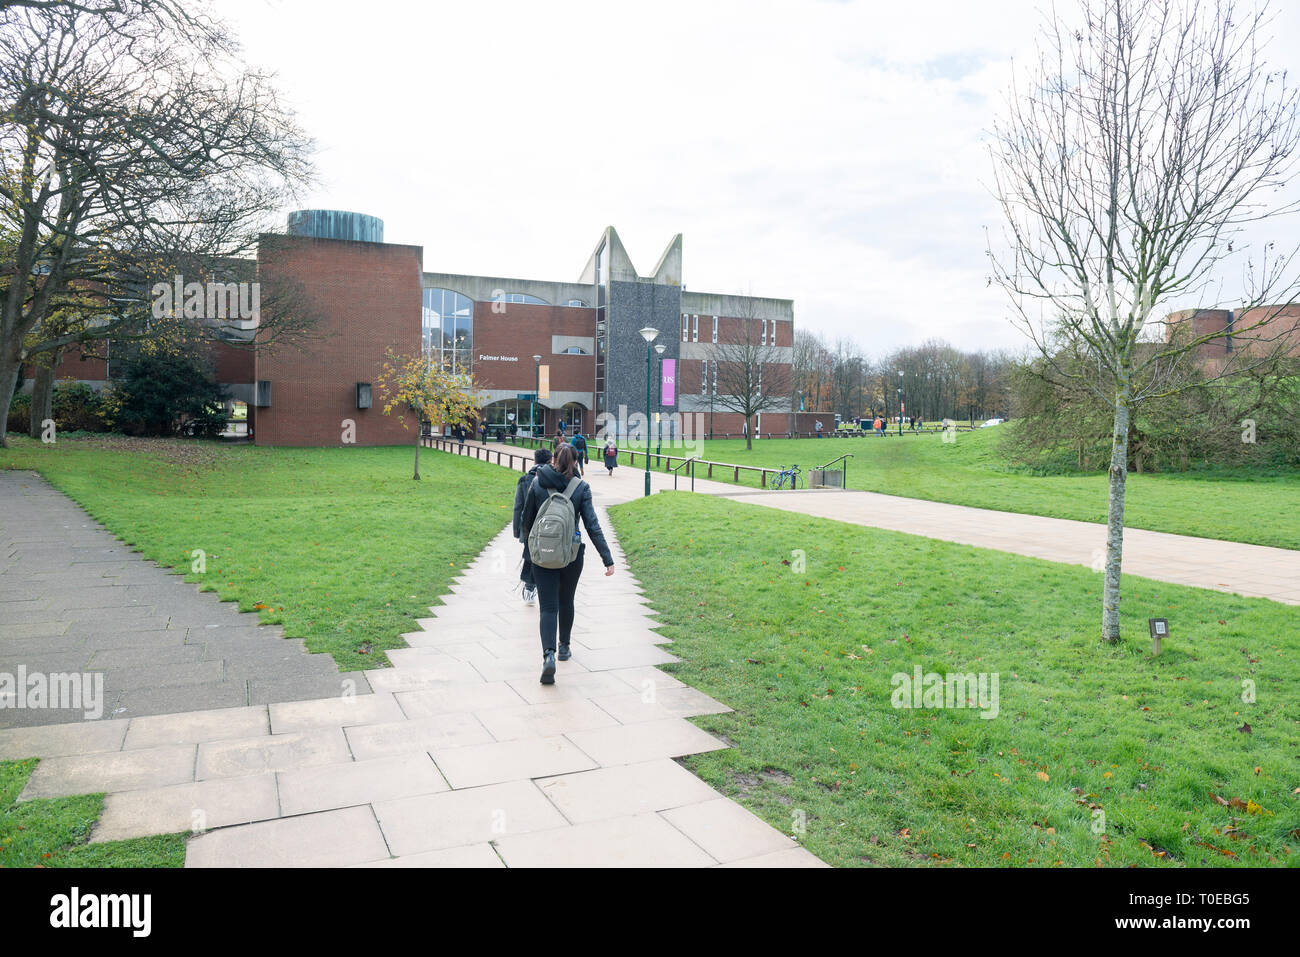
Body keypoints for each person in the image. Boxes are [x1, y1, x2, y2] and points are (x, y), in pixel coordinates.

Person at [519, 444, 615, 683]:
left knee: (548, 607)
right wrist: (607, 558)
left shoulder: (537, 483)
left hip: (543, 555)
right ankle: (564, 647)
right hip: (572, 555)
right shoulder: (581, 488)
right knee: (566, 601)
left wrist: (531, 551)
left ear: (553, 459)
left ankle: (548, 656)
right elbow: (592, 525)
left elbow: (526, 519)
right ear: (575, 462)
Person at [512, 448, 552, 605]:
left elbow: (518, 506)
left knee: (530, 557)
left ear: (534, 462)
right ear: (550, 461)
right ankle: (543, 589)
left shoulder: (524, 480)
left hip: (529, 527)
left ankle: (529, 589)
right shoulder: (554, 479)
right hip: (548, 528)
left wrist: (517, 531)